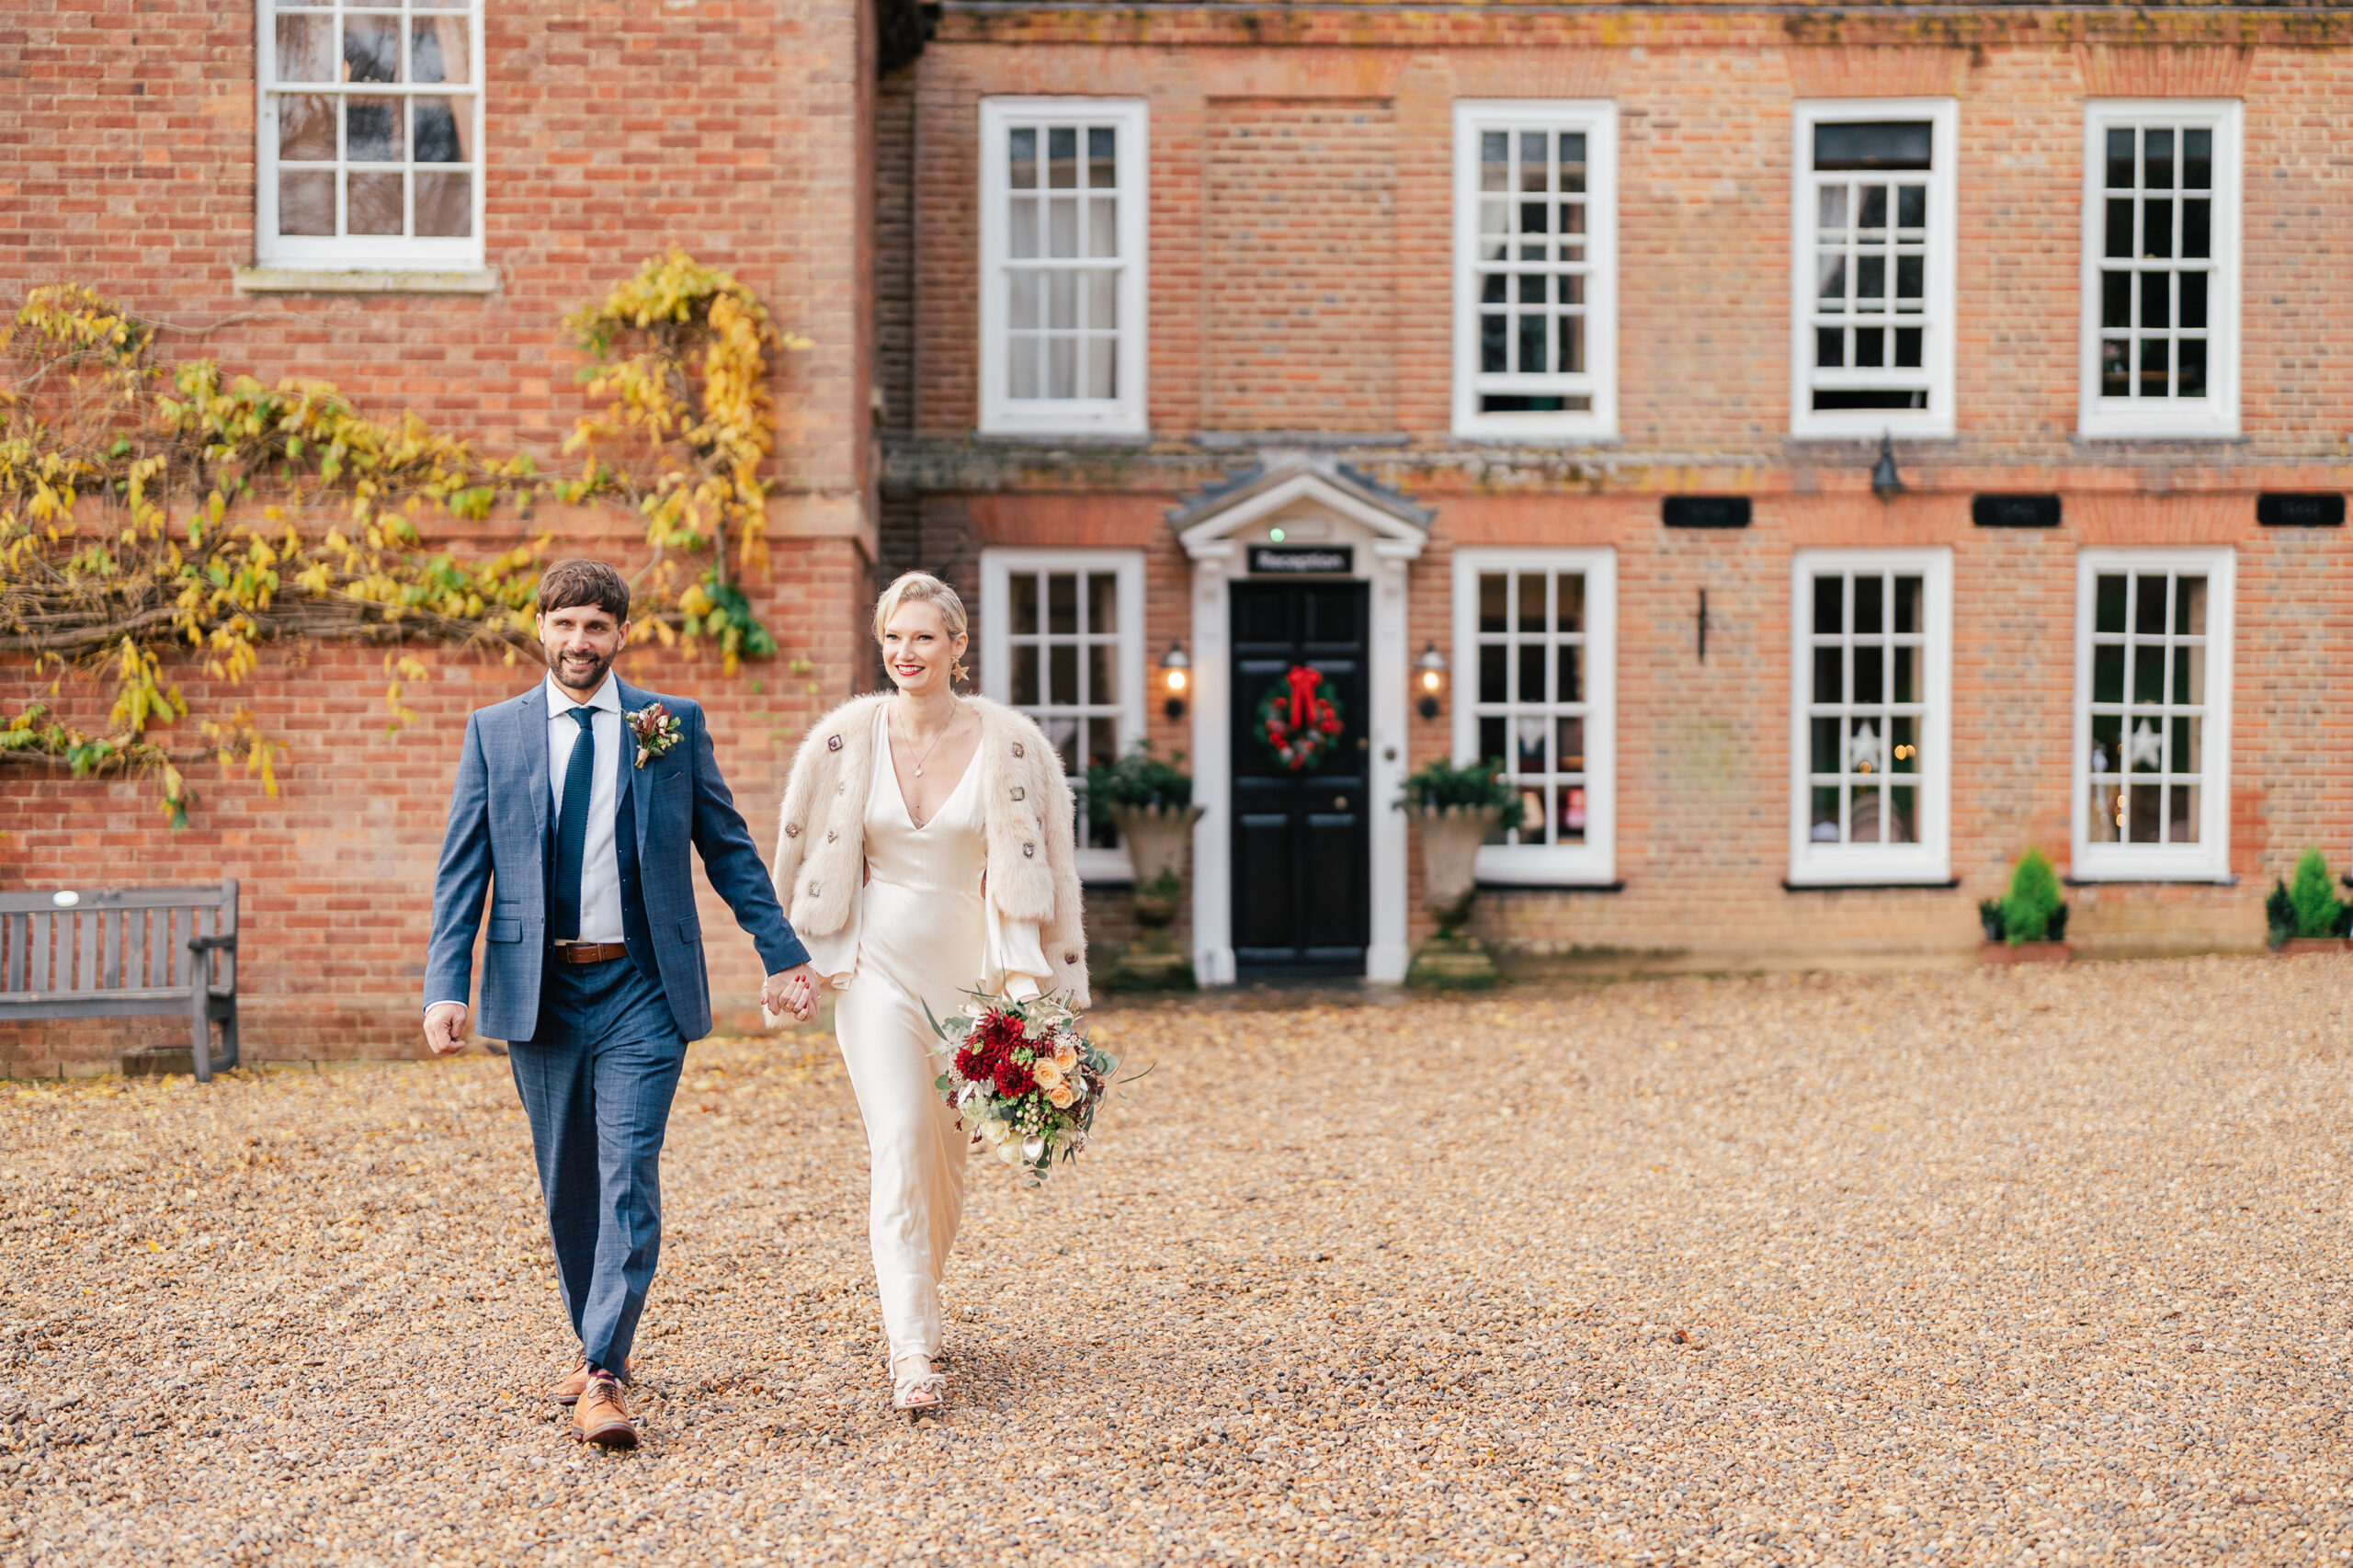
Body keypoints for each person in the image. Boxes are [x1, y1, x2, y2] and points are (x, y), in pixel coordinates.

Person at [421, 558, 819, 1450]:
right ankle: (595, 1335)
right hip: (542, 991)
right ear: (539, 629)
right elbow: (462, 869)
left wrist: (782, 948)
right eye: (564, 625)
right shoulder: (497, 732)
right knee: (567, 1186)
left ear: (621, 634)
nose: (579, 642)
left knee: (627, 1170)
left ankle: (601, 1368)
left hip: (642, 984)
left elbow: (726, 845)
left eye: (596, 625)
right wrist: (446, 982)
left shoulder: (664, 726)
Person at [771, 571, 1089, 1415]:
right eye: (892, 639)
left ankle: (922, 1290)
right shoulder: (844, 740)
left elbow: (1050, 871)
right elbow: (801, 855)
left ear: (957, 645)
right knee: (904, 1138)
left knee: (947, 1160)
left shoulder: (1012, 746)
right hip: (874, 965)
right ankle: (910, 1347)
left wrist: (1046, 1002)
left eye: (921, 638)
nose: (904, 653)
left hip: (971, 981)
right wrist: (789, 957)